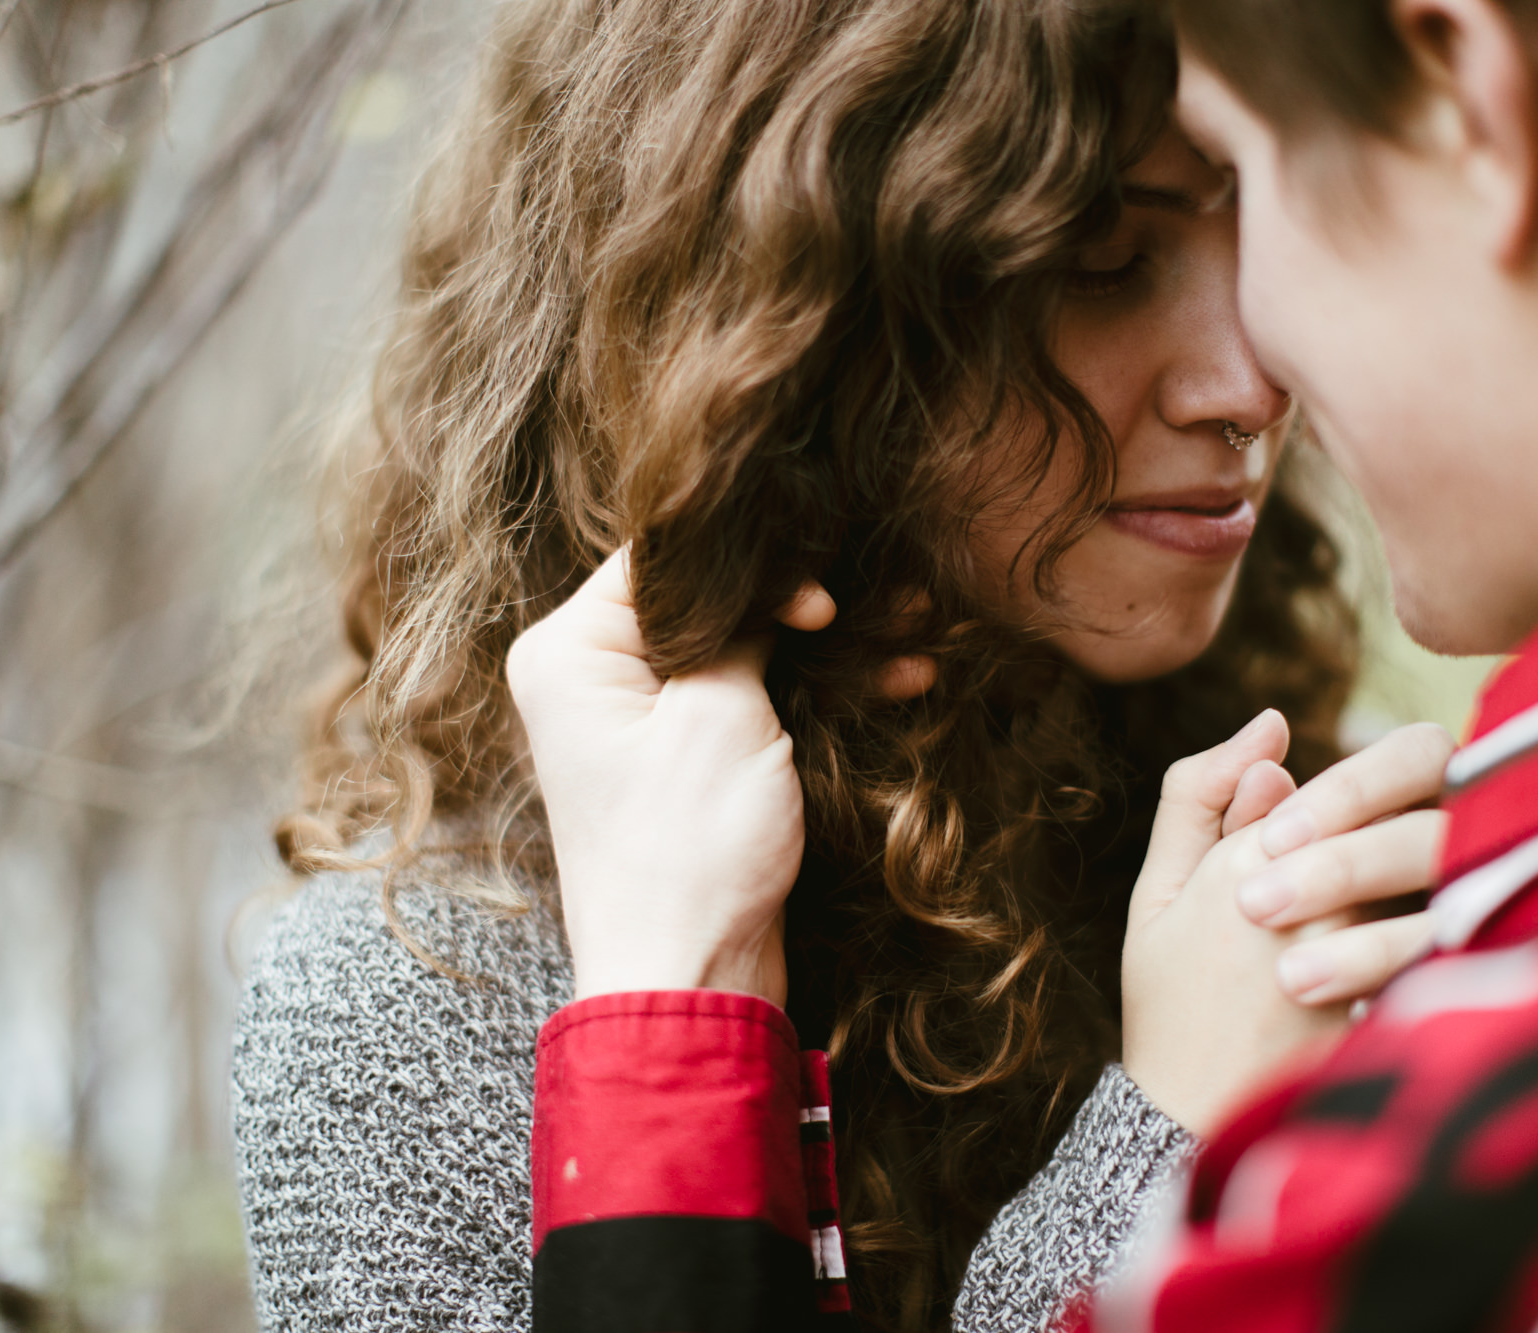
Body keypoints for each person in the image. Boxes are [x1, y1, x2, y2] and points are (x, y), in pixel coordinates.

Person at [520, 0, 1538, 1329]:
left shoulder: (1464, 1175)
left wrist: (665, 1043)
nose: (1253, 379)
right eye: (1102, 251)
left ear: (1470, 96)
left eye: (1255, 180)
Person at [231, 1, 1447, 1330]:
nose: (1252, 380)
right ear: (800, 319)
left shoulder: (1295, 842)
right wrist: (1165, 1165)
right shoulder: (415, 1006)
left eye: (1269, 222)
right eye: (1103, 252)